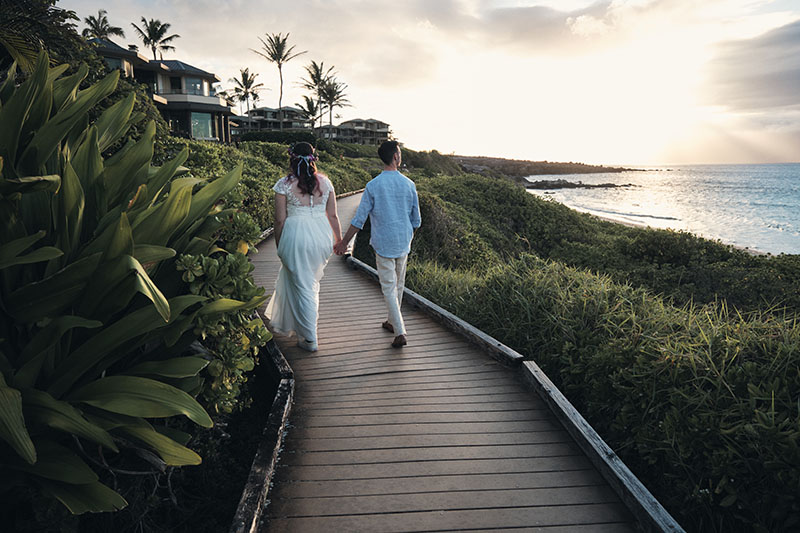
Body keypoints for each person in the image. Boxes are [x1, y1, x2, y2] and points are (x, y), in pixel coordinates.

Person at [334, 140, 421, 348]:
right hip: (403, 241)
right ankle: (393, 323)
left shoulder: (373, 186)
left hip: (383, 242)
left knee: (389, 287)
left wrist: (343, 243)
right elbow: (416, 220)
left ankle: (398, 328)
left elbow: (359, 219)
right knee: (398, 285)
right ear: (396, 157)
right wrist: (407, 235)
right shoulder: (409, 184)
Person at [265, 142, 342, 352]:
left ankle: (310, 338)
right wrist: (339, 240)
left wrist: (280, 244)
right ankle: (304, 331)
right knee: (309, 283)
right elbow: (333, 215)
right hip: (321, 235)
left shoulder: (283, 184)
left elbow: (279, 220)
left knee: (304, 285)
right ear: (313, 159)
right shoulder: (326, 183)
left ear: (292, 159)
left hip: (295, 235)